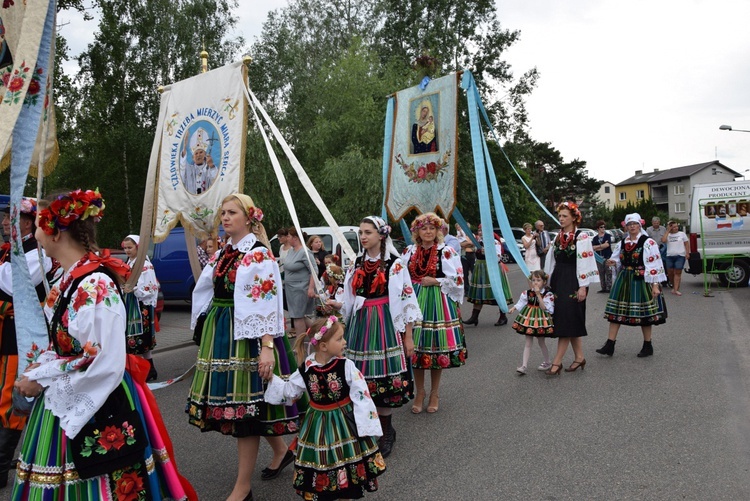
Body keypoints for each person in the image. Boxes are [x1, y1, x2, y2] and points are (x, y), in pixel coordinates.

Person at [13, 189, 195, 500]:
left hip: (95, 394)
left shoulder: (94, 284)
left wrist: (41, 378)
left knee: (99, 481)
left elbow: (99, 358)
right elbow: (67, 346)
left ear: (55, 231)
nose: (32, 232)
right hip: (67, 390)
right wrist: (40, 366)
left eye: (38, 224)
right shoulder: (69, 278)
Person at [187, 194, 303, 501]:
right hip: (224, 330)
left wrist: (267, 346)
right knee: (249, 405)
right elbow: (208, 289)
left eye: (232, 212)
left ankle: (243, 486)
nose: (225, 218)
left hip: (248, 336)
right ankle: (280, 450)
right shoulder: (227, 251)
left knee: (245, 410)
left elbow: (267, 300)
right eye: (223, 213)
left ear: (248, 218)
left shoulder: (258, 254)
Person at [264, 316, 387, 500]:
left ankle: (345, 494)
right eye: (339, 339)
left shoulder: (346, 366)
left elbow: (362, 396)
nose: (344, 342)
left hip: (343, 424)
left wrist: (365, 427)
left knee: (346, 464)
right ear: (323, 346)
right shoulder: (306, 368)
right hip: (317, 425)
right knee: (323, 463)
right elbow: (290, 391)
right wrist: (271, 379)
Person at [342, 216, 420, 458]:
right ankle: (368, 428)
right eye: (361, 233)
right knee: (361, 377)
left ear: (381, 235)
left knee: (384, 378)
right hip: (360, 324)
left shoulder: (395, 264)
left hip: (385, 323)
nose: (363, 237)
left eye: (368, 232)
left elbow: (407, 299)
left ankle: (386, 431)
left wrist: (408, 337)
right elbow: (350, 295)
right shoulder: (357, 262)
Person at [0, 198, 51, 488]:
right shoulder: (17, 249)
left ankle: (2, 466)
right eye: (6, 218)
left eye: (12, 218)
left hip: (24, 336)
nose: (6, 222)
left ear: (29, 222)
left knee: (12, 399)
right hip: (10, 332)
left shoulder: (39, 250)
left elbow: (14, 283)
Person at [402, 213, 466, 415]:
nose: (428, 232)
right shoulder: (409, 251)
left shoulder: (446, 251)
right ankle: (420, 392)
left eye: (432, 228)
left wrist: (437, 281)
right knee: (417, 350)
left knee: (435, 349)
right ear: (417, 232)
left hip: (438, 301)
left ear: (438, 231)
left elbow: (458, 279)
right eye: (424, 228)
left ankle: (435, 392)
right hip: (415, 300)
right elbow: (400, 276)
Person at [598, 213, 667, 358]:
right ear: (626, 227)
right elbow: (616, 259)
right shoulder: (622, 243)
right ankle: (610, 344)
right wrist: (612, 262)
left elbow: (654, 264)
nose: (632, 226)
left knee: (645, 314)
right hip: (624, 278)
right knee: (615, 312)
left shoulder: (648, 242)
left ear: (640, 225)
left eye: (635, 224)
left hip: (641, 279)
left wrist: (655, 285)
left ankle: (648, 345)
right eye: (629, 224)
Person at [543, 201, 599, 376]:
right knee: (570, 318)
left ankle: (556, 362)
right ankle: (579, 357)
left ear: (574, 218)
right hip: (559, 279)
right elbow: (551, 261)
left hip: (574, 280)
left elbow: (585, 261)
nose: (561, 219)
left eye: (564, 216)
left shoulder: (581, 237)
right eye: (559, 216)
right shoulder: (557, 237)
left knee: (566, 320)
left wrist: (583, 287)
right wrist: (546, 281)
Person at [121, 234, 160, 381]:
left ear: (138, 247)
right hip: (131, 304)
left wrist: (135, 289)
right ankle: (147, 370)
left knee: (141, 340)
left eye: (130, 248)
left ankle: (147, 370)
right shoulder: (130, 262)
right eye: (125, 248)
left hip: (142, 305)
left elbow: (151, 288)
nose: (127, 251)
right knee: (134, 339)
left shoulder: (145, 265)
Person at [462, 225, 513, 327]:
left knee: (497, 292)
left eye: (482, 230)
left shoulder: (494, 242)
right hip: (480, 268)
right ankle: (474, 317)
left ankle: (503, 316)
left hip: (492, 268)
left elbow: (498, 257)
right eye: (479, 230)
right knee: (478, 293)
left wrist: (486, 251)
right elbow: (463, 245)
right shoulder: (478, 241)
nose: (480, 232)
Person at [508, 270, 554, 375]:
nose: (535, 282)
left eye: (538, 280)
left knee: (541, 342)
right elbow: (521, 302)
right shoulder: (527, 293)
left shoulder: (547, 294)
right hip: (529, 319)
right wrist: (513, 308)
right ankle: (524, 366)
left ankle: (547, 362)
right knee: (528, 342)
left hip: (540, 320)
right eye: (533, 280)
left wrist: (538, 294)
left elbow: (544, 307)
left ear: (544, 282)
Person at [285, 228, 317, 336]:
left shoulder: (305, 252)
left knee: (298, 316)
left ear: (295, 238)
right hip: (291, 289)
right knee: (297, 315)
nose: (287, 238)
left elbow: (314, 270)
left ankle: (299, 345)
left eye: (289, 236)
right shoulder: (291, 250)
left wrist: (311, 288)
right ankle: (322, 331)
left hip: (300, 288)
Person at [662, 221, 690, 296]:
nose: (675, 228)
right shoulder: (668, 234)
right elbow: (663, 240)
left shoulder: (682, 234)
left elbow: (686, 243)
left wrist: (687, 253)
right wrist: (668, 231)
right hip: (669, 255)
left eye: (676, 226)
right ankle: (674, 285)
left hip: (680, 255)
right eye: (673, 227)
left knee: (677, 272)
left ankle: (676, 289)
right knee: (670, 272)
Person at [592, 220, 614, 293]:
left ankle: (608, 287)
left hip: (607, 256)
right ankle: (603, 287)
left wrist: (599, 247)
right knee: (601, 273)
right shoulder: (595, 238)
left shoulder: (607, 236)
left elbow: (607, 245)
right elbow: (593, 247)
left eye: (604, 227)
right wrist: (602, 246)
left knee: (608, 272)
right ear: (598, 228)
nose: (603, 228)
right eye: (601, 227)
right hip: (599, 258)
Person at [458, 223, 476, 290]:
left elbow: (474, 243)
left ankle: (474, 288)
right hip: (464, 255)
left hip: (472, 255)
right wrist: (468, 243)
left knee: (474, 272)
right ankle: (467, 289)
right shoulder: (460, 236)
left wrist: (465, 244)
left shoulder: (472, 235)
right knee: (465, 273)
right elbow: (460, 244)